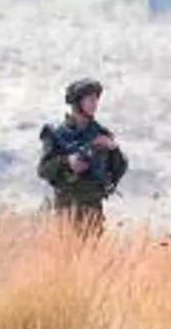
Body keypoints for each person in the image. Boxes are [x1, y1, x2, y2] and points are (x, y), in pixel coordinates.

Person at [36, 78, 128, 236]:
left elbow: (119, 168)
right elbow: (43, 170)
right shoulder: (56, 134)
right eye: (90, 100)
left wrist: (114, 150)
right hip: (66, 208)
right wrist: (67, 162)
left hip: (93, 210)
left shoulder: (102, 134)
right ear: (77, 102)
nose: (95, 104)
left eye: (96, 100)